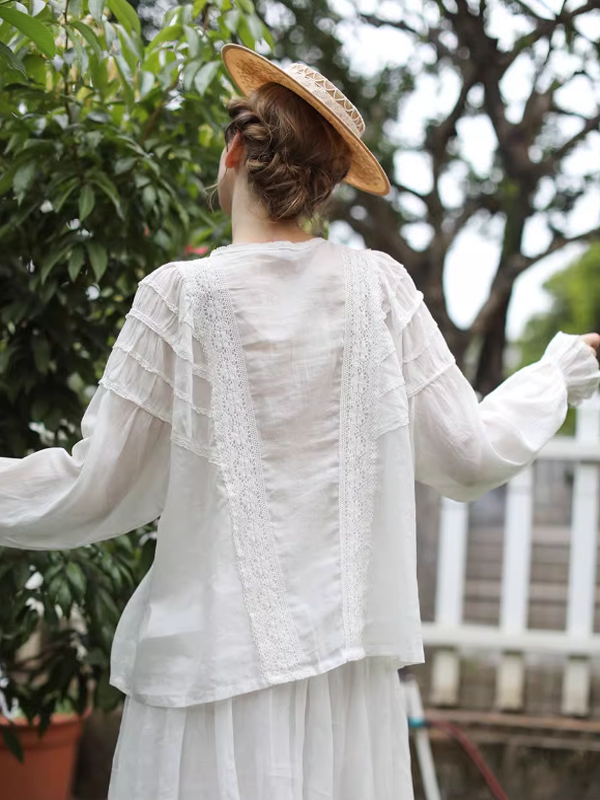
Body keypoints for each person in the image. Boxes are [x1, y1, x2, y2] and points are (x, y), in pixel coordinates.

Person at [1, 43, 599, 800]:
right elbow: (469, 455)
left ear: (234, 151)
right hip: (348, 702)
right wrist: (558, 375)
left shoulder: (178, 296)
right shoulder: (380, 288)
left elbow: (95, 489)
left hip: (207, 691)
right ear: (324, 187)